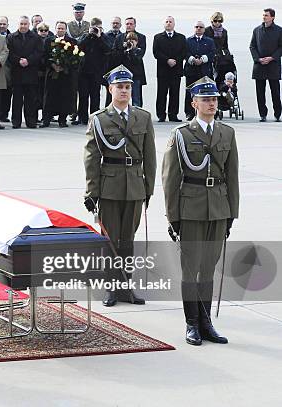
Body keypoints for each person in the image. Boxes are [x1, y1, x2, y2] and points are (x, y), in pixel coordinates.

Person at [162, 76, 239, 346]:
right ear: (194, 102)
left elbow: (232, 176)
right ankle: (191, 323)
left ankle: (207, 324)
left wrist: (231, 213)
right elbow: (170, 179)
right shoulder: (181, 134)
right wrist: (173, 217)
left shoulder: (227, 133)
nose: (211, 103)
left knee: (209, 268)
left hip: (218, 208)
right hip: (191, 208)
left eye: (215, 99)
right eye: (206, 99)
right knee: (190, 268)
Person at [83, 65, 156, 307]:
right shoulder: (99, 119)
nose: (124, 91)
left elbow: (150, 156)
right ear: (110, 89)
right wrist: (92, 192)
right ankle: (111, 288)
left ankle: (126, 287)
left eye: (127, 87)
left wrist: (148, 188)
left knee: (128, 240)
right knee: (110, 240)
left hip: (135, 185)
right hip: (110, 186)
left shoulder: (143, 117)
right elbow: (91, 158)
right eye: (119, 87)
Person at [7, 16, 43, 129]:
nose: (23, 26)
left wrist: (28, 60)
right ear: (18, 24)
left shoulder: (36, 38)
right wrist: (19, 60)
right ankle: (16, 121)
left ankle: (31, 121)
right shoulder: (11, 37)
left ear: (29, 25)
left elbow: (39, 52)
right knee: (17, 99)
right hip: (17, 72)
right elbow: (9, 53)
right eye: (21, 24)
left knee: (30, 99)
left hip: (31, 72)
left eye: (25, 24)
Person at [41, 21, 76, 128]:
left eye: (62, 28)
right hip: (52, 73)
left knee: (64, 96)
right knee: (49, 97)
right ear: (55, 29)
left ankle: (62, 120)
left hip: (65, 74)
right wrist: (52, 65)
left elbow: (75, 58)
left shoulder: (71, 41)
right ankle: (46, 119)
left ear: (66, 30)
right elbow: (44, 56)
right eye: (58, 28)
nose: (60, 30)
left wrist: (64, 66)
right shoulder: (48, 40)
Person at [249, 8, 282, 122]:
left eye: (266, 15)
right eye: (263, 15)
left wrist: (272, 57)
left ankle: (278, 114)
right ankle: (263, 115)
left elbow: (281, 47)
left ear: (272, 17)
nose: (264, 17)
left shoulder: (279, 30)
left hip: (273, 65)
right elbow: (252, 46)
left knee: (275, 92)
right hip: (260, 65)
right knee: (260, 92)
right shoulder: (257, 30)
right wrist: (258, 59)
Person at [152, 16, 187, 122]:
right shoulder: (157, 37)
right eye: (166, 22)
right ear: (164, 24)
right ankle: (161, 115)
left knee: (175, 93)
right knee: (161, 93)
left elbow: (183, 52)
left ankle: (173, 115)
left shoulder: (181, 37)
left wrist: (175, 60)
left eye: (170, 22)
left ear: (174, 24)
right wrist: (167, 60)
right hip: (163, 70)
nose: (168, 23)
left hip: (176, 70)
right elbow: (156, 52)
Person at [76, 17, 110, 124]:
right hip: (84, 71)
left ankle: (94, 117)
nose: (96, 30)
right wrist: (89, 35)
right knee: (83, 95)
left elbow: (108, 50)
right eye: (94, 28)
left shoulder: (104, 37)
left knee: (95, 96)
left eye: (98, 28)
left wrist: (99, 37)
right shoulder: (85, 36)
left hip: (97, 72)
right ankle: (82, 118)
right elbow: (78, 47)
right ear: (90, 27)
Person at [184, 21, 215, 120]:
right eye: (196, 27)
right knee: (190, 92)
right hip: (191, 71)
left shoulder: (209, 41)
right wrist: (192, 59)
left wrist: (203, 59)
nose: (198, 28)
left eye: (201, 27)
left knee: (204, 93)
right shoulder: (188, 40)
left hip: (204, 71)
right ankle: (189, 113)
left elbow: (212, 53)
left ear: (204, 29)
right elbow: (185, 53)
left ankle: (203, 112)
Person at [205, 12, 234, 87]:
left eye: (219, 21)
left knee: (219, 76)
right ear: (212, 21)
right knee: (210, 77)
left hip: (219, 57)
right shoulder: (206, 30)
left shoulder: (224, 31)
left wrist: (228, 58)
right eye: (215, 21)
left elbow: (225, 46)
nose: (217, 23)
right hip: (209, 56)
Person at [0, 16, 12, 122]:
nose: (2, 26)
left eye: (4, 24)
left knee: (7, 93)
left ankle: (4, 114)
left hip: (8, 69)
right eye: (0, 24)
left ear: (8, 25)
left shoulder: (11, 37)